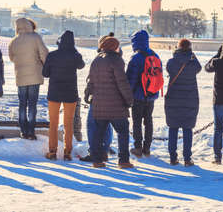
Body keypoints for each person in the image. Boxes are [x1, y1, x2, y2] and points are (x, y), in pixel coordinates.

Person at [86, 36, 134, 169]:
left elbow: (91, 81)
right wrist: (129, 100)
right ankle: (123, 161)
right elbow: (122, 83)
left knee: (98, 133)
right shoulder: (116, 61)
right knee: (123, 132)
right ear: (114, 47)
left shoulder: (96, 60)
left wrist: (88, 94)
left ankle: (97, 160)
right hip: (116, 106)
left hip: (99, 104)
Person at [43, 31, 85, 160]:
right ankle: (67, 152)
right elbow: (81, 65)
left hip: (54, 92)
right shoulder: (75, 55)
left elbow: (45, 73)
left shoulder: (52, 55)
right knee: (68, 123)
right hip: (70, 93)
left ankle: (52, 151)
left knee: (53, 123)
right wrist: (75, 52)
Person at [8, 18, 48, 140]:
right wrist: (44, 66)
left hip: (20, 76)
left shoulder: (13, 41)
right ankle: (31, 131)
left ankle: (23, 131)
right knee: (32, 104)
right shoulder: (35, 37)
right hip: (34, 75)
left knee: (22, 104)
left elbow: (11, 58)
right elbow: (44, 54)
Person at [165, 39, 201, 167]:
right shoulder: (193, 64)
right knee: (187, 129)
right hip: (189, 100)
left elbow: (169, 68)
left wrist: (176, 53)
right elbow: (199, 67)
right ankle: (187, 158)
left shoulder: (171, 62)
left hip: (173, 100)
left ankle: (173, 158)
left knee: (173, 128)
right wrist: (192, 55)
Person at [79, 33, 115, 163]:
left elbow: (92, 79)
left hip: (99, 97)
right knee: (107, 124)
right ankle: (104, 150)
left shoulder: (99, 59)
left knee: (92, 123)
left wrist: (88, 93)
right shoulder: (117, 58)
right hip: (112, 97)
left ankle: (94, 151)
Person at [126, 29, 162, 158]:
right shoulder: (155, 55)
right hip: (151, 94)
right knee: (148, 121)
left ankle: (138, 147)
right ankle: (147, 148)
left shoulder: (135, 58)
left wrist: (127, 95)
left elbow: (131, 79)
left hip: (138, 96)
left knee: (137, 122)